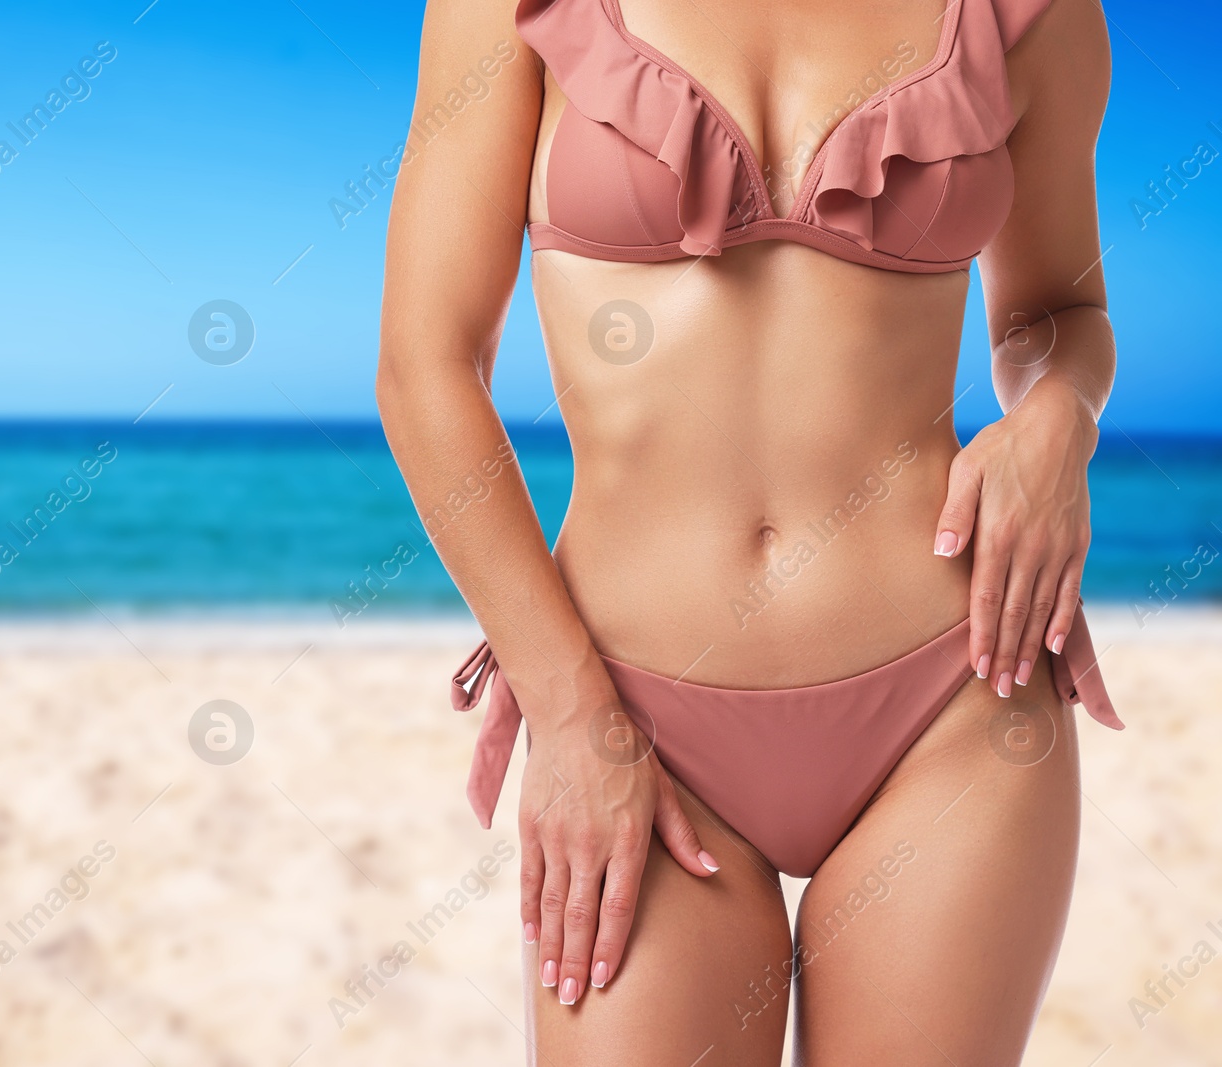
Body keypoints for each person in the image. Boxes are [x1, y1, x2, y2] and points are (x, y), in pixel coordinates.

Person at [377, 0, 1120, 1062]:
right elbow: (426, 365)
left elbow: (1057, 313)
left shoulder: (1026, 15)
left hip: (955, 691)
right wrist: (575, 715)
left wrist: (1057, 414)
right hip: (634, 713)